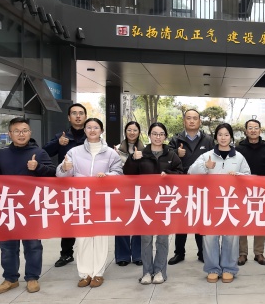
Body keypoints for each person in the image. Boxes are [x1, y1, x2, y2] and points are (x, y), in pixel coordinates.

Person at [0, 117, 55, 294]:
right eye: (17, 131)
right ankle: (10, 278)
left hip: (31, 208)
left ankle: (32, 277)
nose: (21, 134)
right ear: (10, 134)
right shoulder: (3, 153)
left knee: (33, 245)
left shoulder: (39, 153)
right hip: (7, 207)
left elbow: (54, 174)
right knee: (7, 246)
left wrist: (38, 167)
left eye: (24, 131)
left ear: (30, 132)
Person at [56, 118, 123, 288]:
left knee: (100, 237)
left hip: (102, 200)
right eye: (89, 127)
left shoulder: (111, 153)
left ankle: (98, 273)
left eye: (96, 127)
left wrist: (107, 176)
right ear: (84, 130)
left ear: (101, 131)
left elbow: (118, 173)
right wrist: (65, 168)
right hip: (81, 199)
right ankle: (84, 273)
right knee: (83, 237)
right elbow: (61, 175)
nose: (92, 130)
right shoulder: (74, 152)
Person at [189, 123, 251, 283]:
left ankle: (229, 268)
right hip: (210, 203)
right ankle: (212, 269)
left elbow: (248, 176)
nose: (223, 138)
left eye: (226, 135)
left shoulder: (239, 157)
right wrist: (205, 166)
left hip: (232, 203)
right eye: (220, 134)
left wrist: (237, 175)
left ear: (231, 137)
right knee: (210, 237)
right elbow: (190, 172)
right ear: (216, 137)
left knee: (231, 237)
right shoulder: (207, 156)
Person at [124, 122, 183, 285]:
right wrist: (132, 159)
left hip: (165, 202)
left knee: (162, 239)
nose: (158, 137)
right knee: (146, 239)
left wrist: (168, 174)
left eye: (161, 134)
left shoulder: (171, 155)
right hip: (146, 202)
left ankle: (159, 271)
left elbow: (181, 173)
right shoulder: (141, 154)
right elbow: (127, 174)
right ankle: (146, 272)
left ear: (165, 136)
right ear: (149, 135)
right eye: (155, 134)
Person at [43, 103, 87, 268]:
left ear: (85, 116)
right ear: (69, 117)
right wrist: (58, 143)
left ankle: (87, 254)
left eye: (81, 113)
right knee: (68, 220)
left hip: (87, 186)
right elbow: (44, 152)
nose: (78, 116)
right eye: (74, 113)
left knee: (87, 219)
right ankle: (66, 253)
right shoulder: (61, 136)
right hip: (67, 186)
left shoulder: (91, 135)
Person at [168, 109, 214, 265]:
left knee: (200, 219)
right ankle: (179, 253)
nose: (192, 121)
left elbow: (215, 159)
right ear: (184, 121)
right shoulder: (176, 140)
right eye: (189, 118)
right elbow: (166, 157)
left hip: (202, 187)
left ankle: (202, 252)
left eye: (195, 118)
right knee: (181, 220)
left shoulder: (208, 140)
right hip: (182, 186)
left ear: (200, 121)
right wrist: (175, 152)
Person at [235, 118, 265, 266]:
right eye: (250, 128)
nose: (253, 130)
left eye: (256, 128)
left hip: (261, 191)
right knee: (242, 221)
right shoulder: (239, 149)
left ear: (260, 130)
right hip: (242, 190)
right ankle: (242, 253)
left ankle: (259, 253)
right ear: (246, 131)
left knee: (260, 221)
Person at [114, 121, 146, 267]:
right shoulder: (116, 150)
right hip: (121, 190)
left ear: (139, 132)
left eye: (135, 130)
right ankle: (123, 255)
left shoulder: (146, 150)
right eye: (129, 130)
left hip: (140, 190)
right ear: (125, 132)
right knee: (121, 222)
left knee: (139, 222)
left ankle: (138, 254)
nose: (132, 133)